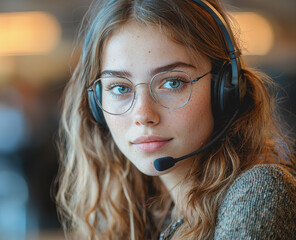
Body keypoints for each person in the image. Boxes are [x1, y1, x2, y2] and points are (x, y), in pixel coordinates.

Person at [53, 0, 296, 239]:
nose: (143, 115)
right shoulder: (150, 214)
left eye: (173, 82)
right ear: (97, 103)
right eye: (119, 88)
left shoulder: (258, 192)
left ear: (225, 90)